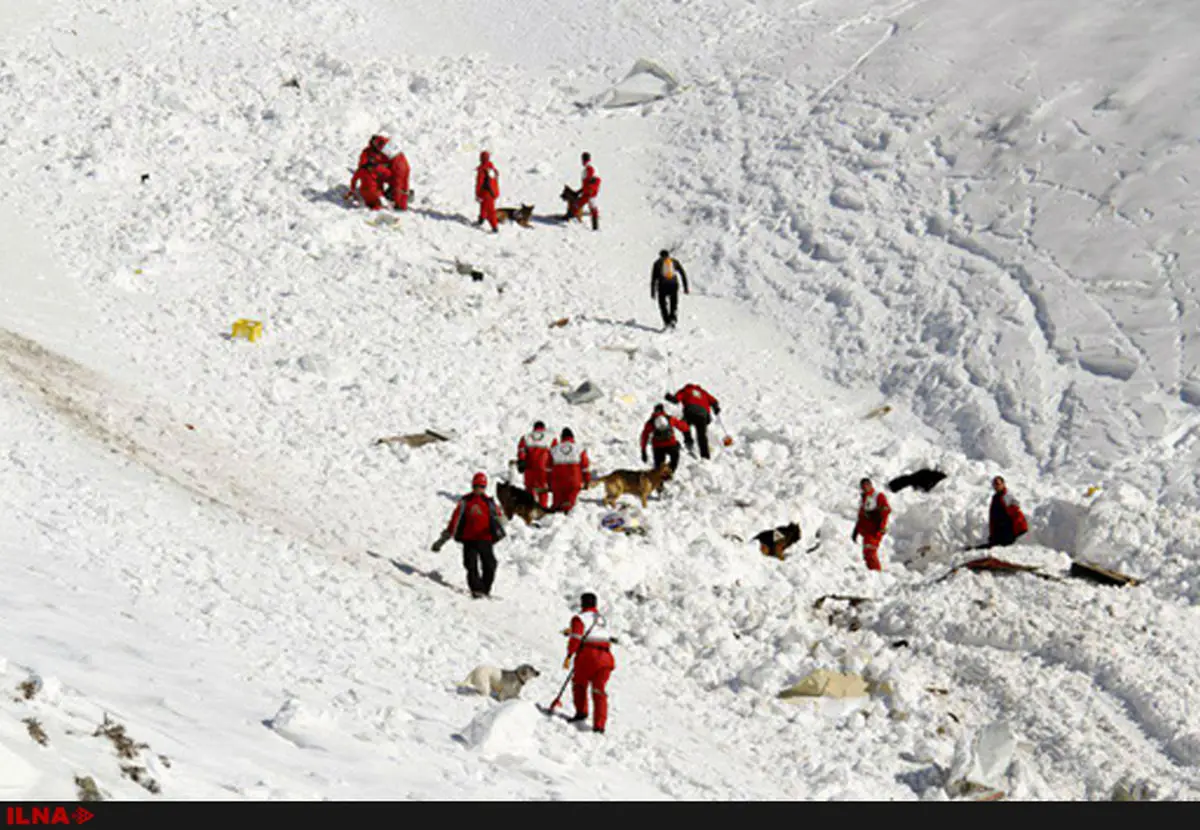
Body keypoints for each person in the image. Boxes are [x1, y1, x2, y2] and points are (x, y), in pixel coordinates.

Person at [431, 472, 506, 598]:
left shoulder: (489, 502)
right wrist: (443, 538)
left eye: (482, 486)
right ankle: (476, 589)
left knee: (490, 564)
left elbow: (500, 518)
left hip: (485, 538)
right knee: (470, 564)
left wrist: (501, 522)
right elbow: (455, 519)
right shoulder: (465, 501)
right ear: (473, 486)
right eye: (477, 486)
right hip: (469, 538)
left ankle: (485, 588)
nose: (479, 489)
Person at [563, 592, 615, 734]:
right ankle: (599, 726)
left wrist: (569, 655)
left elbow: (576, 639)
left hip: (589, 657)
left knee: (579, 684)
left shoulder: (579, 618)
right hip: (606, 658)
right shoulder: (602, 619)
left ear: (582, 603)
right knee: (599, 691)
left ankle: (581, 712)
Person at [665, 383, 719, 459]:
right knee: (702, 436)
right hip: (703, 415)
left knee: (684, 425)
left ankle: (689, 442)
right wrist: (716, 408)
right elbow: (714, 401)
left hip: (690, 410)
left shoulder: (685, 390)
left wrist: (668, 397)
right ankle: (705, 457)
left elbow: (676, 400)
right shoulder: (703, 392)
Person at [639, 403, 693, 473]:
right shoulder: (670, 419)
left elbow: (644, 436)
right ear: (663, 410)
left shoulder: (650, 422)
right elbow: (683, 427)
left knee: (658, 468)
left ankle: (660, 480)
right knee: (674, 459)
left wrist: (643, 451)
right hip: (671, 444)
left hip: (658, 447)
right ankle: (670, 472)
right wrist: (687, 434)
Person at [347, 135, 395, 211]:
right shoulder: (366, 152)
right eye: (375, 142)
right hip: (371, 182)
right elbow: (362, 165)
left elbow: (389, 166)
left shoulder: (383, 153)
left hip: (377, 181)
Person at [851, 477, 890, 571]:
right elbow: (861, 516)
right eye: (862, 486)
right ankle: (871, 574)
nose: (865, 487)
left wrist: (881, 526)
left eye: (866, 485)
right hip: (866, 531)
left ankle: (876, 573)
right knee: (867, 553)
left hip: (875, 530)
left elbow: (886, 510)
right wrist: (856, 530)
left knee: (870, 551)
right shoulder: (864, 498)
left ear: (870, 485)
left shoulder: (877, 496)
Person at [549, 427, 590, 513]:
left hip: (558, 483)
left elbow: (548, 468)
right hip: (574, 482)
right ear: (573, 437)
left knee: (556, 506)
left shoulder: (554, 449)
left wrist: (548, 483)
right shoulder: (579, 449)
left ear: (561, 438)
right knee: (570, 506)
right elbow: (585, 467)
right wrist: (587, 481)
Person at [517, 420, 554, 508]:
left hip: (529, 468)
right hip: (543, 469)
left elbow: (521, 450)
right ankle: (542, 508)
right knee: (542, 490)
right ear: (544, 429)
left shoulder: (526, 437)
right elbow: (555, 452)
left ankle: (530, 508)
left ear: (534, 428)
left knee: (529, 489)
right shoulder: (550, 438)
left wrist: (521, 460)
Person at [650, 250, 689, 329]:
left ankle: (667, 322)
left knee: (663, 305)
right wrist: (686, 287)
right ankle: (673, 320)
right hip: (673, 285)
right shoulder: (674, 262)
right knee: (673, 304)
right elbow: (682, 273)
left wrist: (653, 292)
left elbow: (653, 278)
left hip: (662, 286)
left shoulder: (657, 263)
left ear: (660, 256)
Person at [988, 476, 1028, 547]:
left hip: (1009, 530)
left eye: (998, 484)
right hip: (999, 531)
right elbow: (993, 517)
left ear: (1003, 484)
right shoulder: (995, 498)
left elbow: (1016, 510)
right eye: (994, 484)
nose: (996, 486)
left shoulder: (1008, 495)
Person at [567, 151, 601, 230]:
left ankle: (570, 217)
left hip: (589, 191)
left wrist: (589, 187)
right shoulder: (589, 168)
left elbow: (591, 178)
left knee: (581, 204)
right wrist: (579, 191)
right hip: (590, 191)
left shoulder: (589, 167)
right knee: (590, 205)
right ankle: (595, 226)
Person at [475, 150, 500, 232]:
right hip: (493, 192)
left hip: (486, 194)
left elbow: (479, 183)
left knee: (490, 211)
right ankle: (481, 219)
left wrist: (477, 194)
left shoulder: (482, 170)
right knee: (483, 206)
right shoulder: (492, 168)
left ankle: (494, 227)